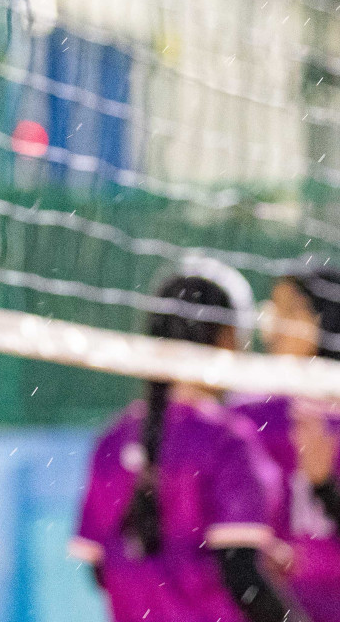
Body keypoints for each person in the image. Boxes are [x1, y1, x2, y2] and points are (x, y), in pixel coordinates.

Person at [69, 258, 307, 622]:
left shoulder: (113, 439)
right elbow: (242, 578)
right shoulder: (228, 441)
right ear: (228, 339)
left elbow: (99, 570)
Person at [230, 268, 340, 622]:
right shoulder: (244, 417)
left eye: (290, 311)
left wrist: (324, 486)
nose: (272, 323)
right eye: (272, 309)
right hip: (268, 608)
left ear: (326, 321)